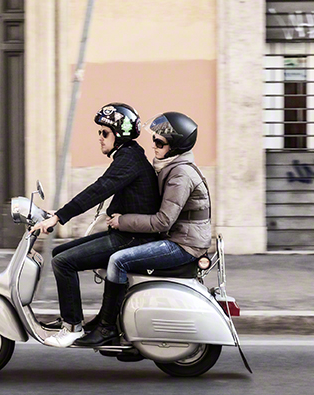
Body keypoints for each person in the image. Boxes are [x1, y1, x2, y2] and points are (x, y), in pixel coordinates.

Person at [75, 111, 212, 347]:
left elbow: (162, 222)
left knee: (118, 260)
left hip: (183, 245)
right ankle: (108, 320)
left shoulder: (180, 174)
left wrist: (123, 221)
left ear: (176, 147)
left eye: (160, 143)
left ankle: (107, 328)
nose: (154, 146)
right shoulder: (171, 167)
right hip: (180, 238)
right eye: (154, 141)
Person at [30, 103, 161, 348]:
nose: (99, 138)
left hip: (133, 239)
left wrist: (59, 218)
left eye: (104, 133)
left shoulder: (129, 159)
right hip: (126, 233)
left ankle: (72, 327)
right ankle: (84, 319)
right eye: (99, 132)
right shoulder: (128, 155)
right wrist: (55, 213)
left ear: (119, 134)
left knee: (62, 262)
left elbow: (98, 190)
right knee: (59, 252)